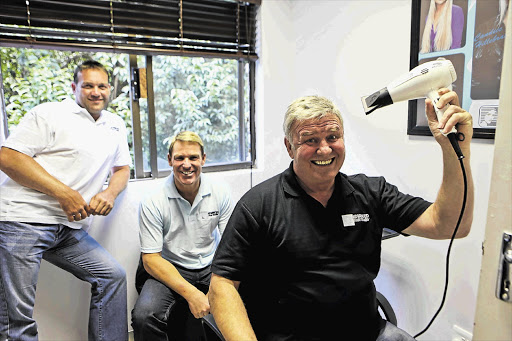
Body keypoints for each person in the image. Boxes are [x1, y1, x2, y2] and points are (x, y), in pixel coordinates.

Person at [209, 90, 474, 340]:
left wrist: (454, 149)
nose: (324, 149)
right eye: (310, 140)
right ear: (289, 148)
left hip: (368, 333)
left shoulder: (371, 193)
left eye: (333, 137)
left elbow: (451, 225)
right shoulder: (258, 206)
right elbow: (222, 286)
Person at [0, 60, 131, 341]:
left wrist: (109, 193)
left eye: (102, 86)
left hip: (68, 229)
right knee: (17, 318)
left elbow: (121, 169)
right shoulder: (50, 114)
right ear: (74, 87)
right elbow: (8, 157)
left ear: (110, 89)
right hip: (22, 221)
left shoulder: (115, 125)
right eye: (88, 86)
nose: (96, 92)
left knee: (112, 276)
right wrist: (64, 193)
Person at [131, 131, 233, 341]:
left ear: (203, 159)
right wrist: (192, 294)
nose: (187, 164)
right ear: (170, 160)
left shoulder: (220, 192)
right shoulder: (154, 201)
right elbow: (151, 259)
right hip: (171, 267)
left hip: (209, 265)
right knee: (144, 316)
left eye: (193, 157)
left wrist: (222, 283)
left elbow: (231, 246)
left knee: (252, 297)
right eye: (180, 158)